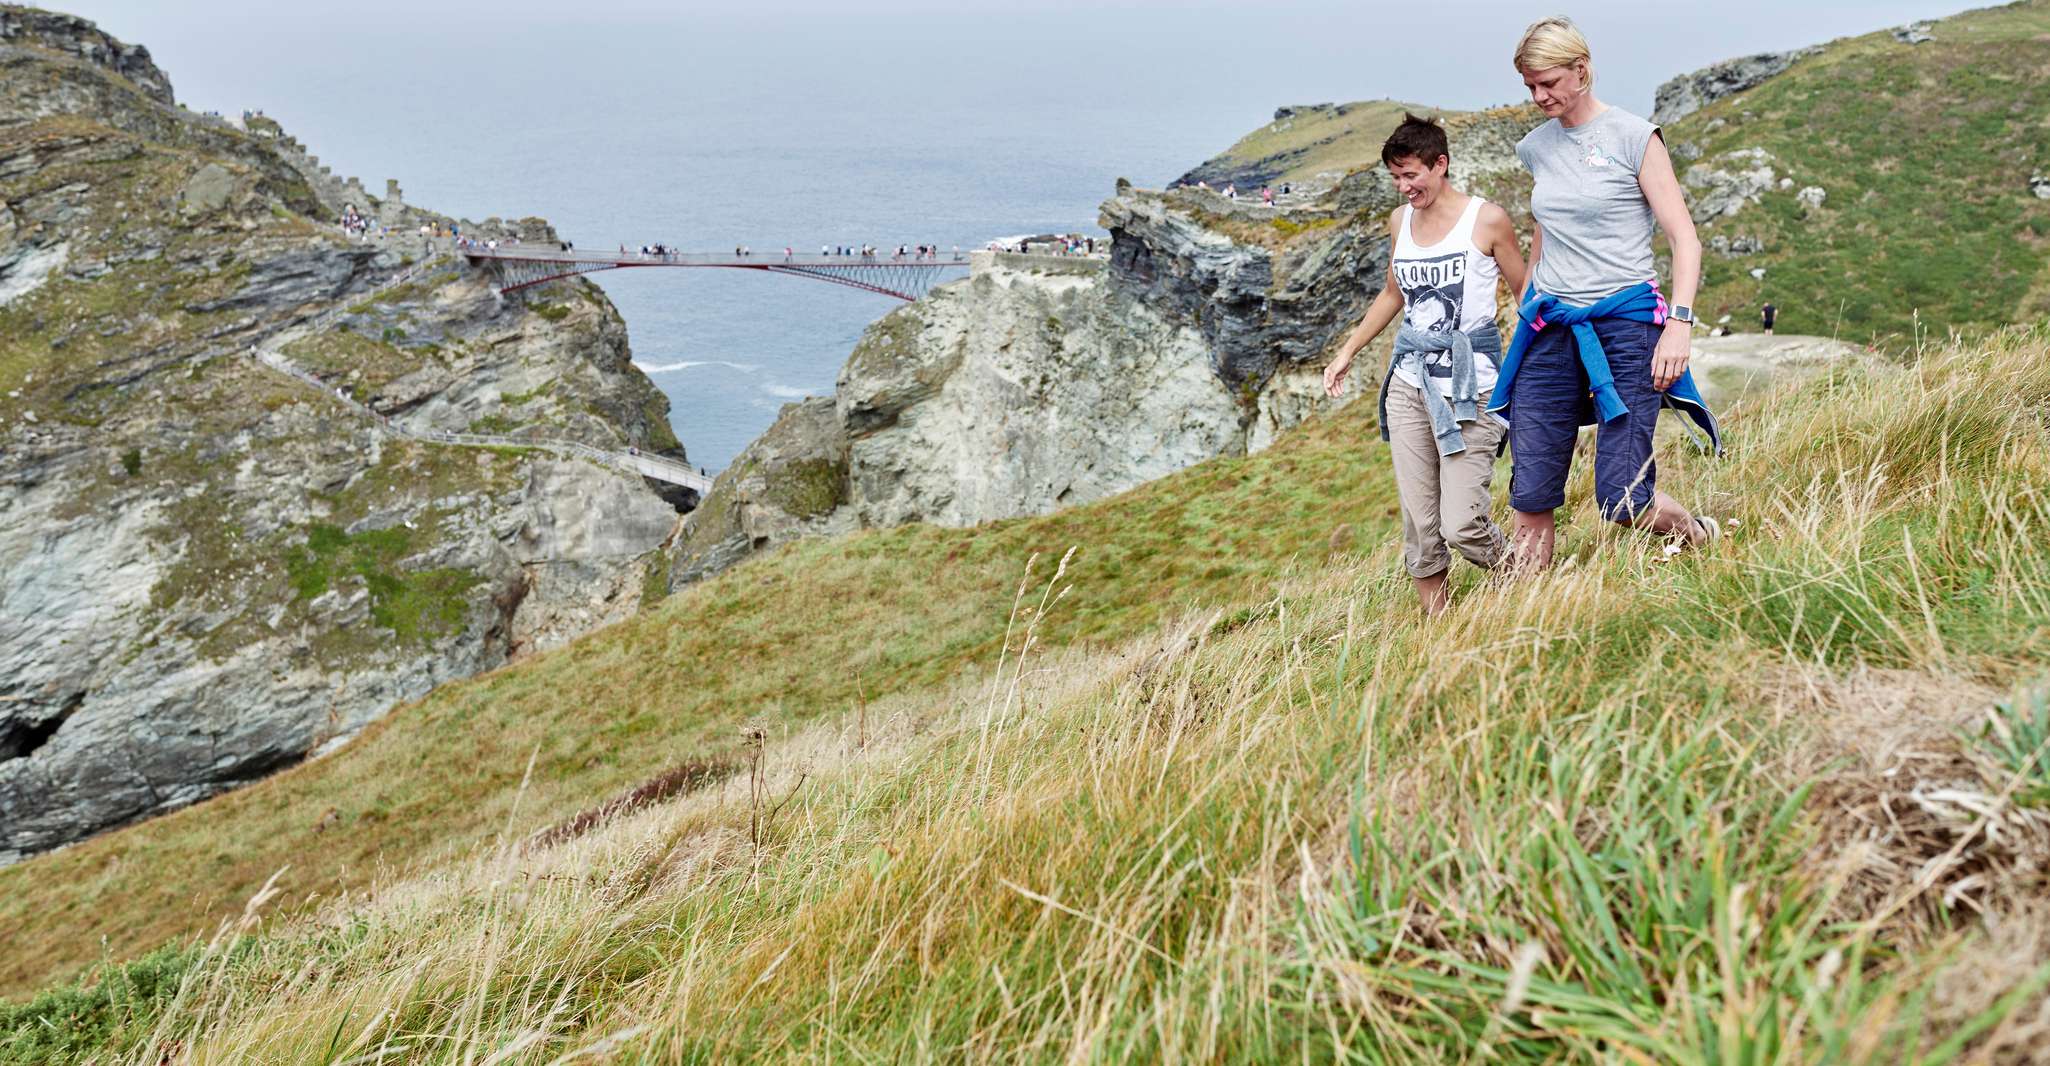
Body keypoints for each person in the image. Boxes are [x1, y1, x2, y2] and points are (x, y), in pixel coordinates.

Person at [1492, 16, 1722, 571]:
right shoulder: (1535, 148)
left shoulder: (1634, 137)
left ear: (1582, 70)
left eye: (1548, 82)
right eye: (1529, 86)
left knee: (1623, 500)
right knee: (1531, 492)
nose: (1539, 96)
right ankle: (1531, 622)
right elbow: (1547, 224)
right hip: (1551, 327)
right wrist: (1529, 297)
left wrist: (1680, 325)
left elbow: (1684, 239)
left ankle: (1697, 532)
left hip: (1625, 326)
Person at [1323, 114, 1529, 616]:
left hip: (1471, 388)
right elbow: (1394, 293)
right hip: (1409, 384)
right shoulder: (1400, 222)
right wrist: (1347, 352)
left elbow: (1527, 294)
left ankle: (1523, 579)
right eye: (1395, 178)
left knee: (1461, 523)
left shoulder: (1487, 219)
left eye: (1411, 174)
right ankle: (1437, 626)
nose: (1404, 187)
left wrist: (1535, 370)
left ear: (1441, 165)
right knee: (1420, 521)